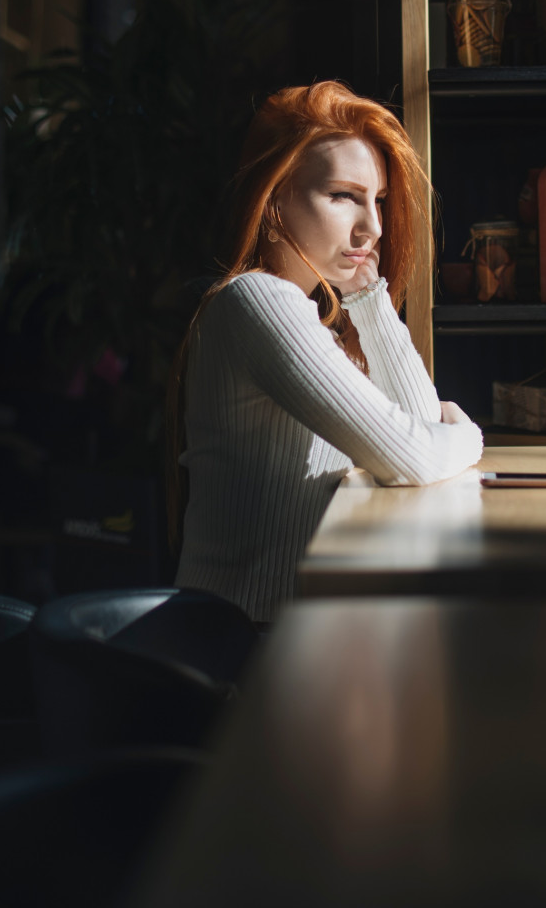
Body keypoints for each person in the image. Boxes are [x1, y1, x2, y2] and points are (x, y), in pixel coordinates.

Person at [168, 80, 483, 623]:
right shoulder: (258, 301)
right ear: (274, 202)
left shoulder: (315, 325)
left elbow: (421, 430)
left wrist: (369, 297)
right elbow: (418, 456)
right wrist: (469, 434)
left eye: (377, 200)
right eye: (343, 196)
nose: (373, 228)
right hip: (242, 647)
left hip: (299, 633)